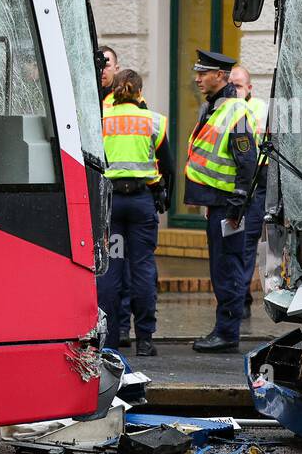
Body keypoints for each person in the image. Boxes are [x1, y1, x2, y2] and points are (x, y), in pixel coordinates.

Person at [186, 50, 259, 353]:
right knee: (221, 268)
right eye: (197, 72)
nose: (197, 78)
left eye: (203, 73)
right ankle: (224, 329)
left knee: (227, 269)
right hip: (218, 203)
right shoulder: (214, 108)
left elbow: (247, 161)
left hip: (229, 207)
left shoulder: (234, 111)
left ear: (221, 75)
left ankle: (227, 333)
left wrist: (237, 205)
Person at [98, 69, 170, 357]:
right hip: (141, 201)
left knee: (110, 270)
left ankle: (111, 340)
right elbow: (169, 165)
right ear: (139, 92)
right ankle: (145, 340)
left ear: (114, 91)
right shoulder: (153, 120)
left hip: (111, 204)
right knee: (142, 269)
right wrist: (165, 196)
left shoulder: (101, 119)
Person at [230, 65, 268, 322]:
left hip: (256, 183)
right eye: (231, 86)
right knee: (233, 243)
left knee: (245, 244)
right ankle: (238, 296)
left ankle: (241, 299)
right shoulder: (223, 109)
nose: (235, 90)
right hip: (231, 185)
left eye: (240, 86)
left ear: (250, 88)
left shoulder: (259, 109)